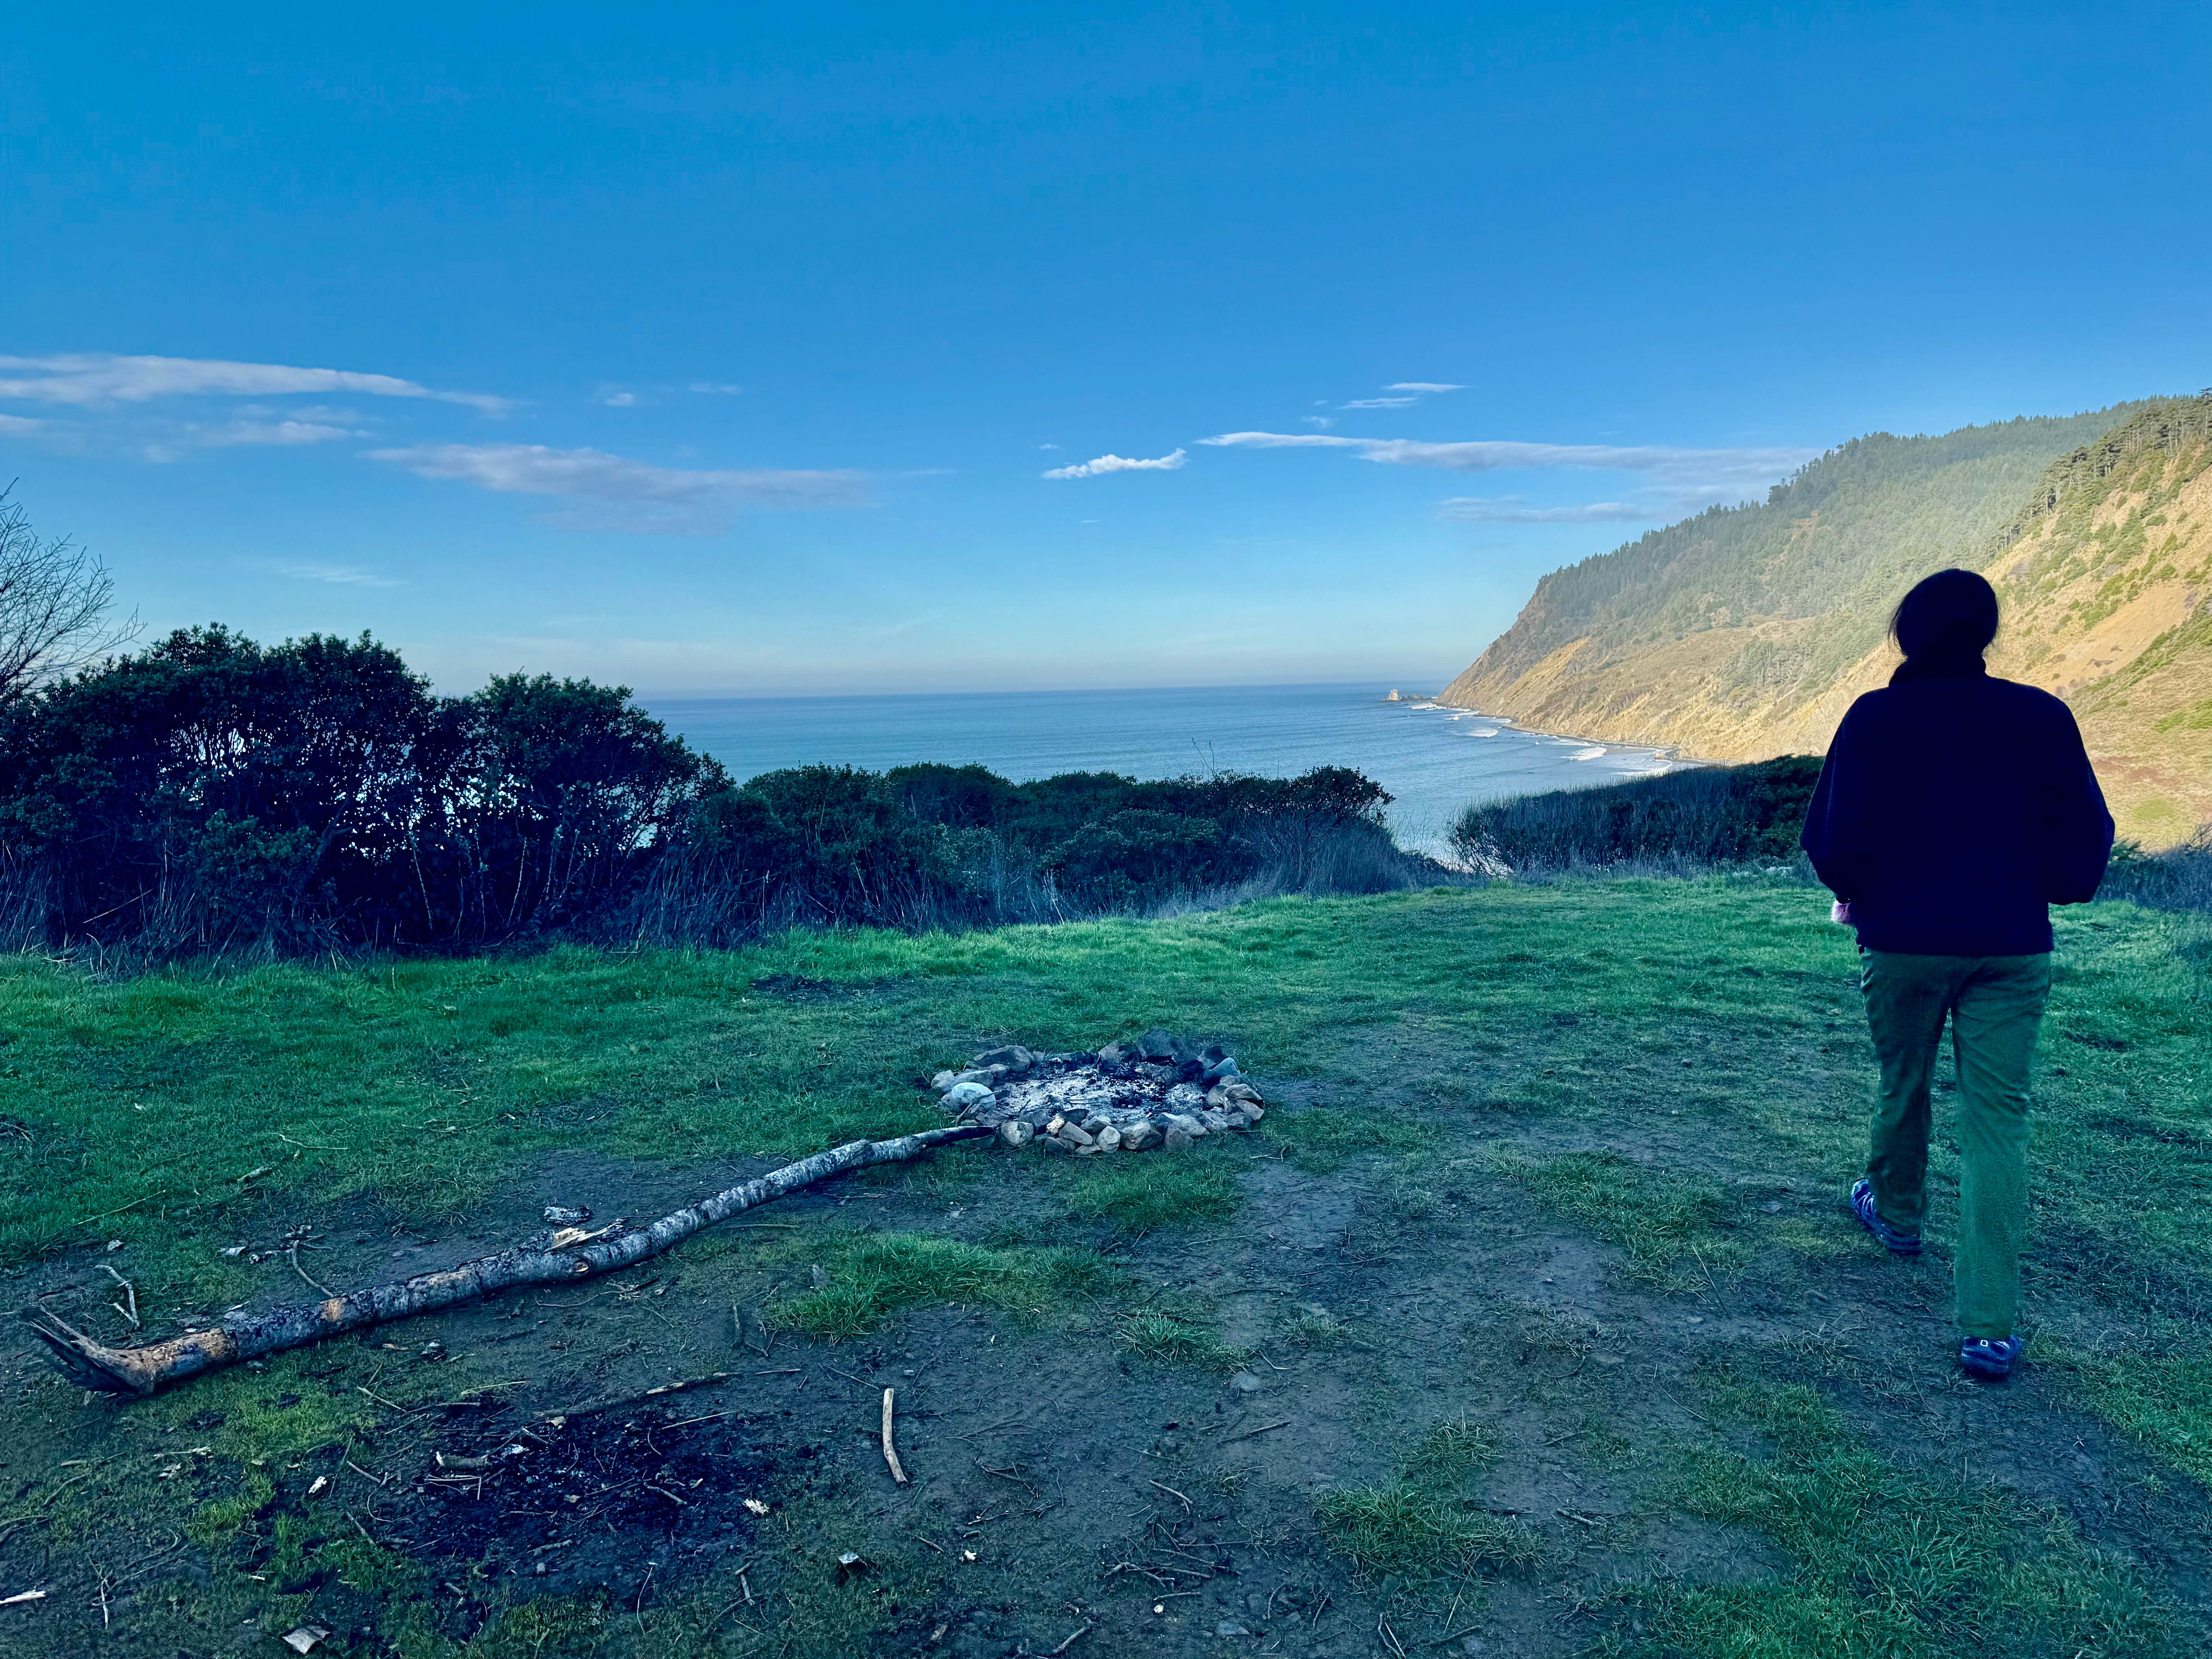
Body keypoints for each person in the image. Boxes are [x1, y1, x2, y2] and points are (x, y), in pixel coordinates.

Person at [1801, 568, 2113, 1380]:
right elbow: (2087, 838)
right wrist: (2033, 889)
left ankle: (1897, 1216)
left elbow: (1832, 840)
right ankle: (1989, 1327)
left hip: (1902, 942)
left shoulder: (1875, 717)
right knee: (1997, 1121)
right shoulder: (2041, 716)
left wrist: (1860, 893)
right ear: (1986, 634)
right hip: (2011, 945)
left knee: (1903, 1082)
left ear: (1908, 634)